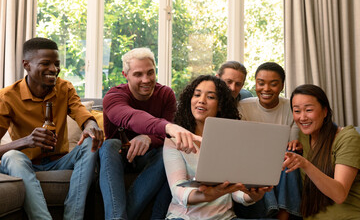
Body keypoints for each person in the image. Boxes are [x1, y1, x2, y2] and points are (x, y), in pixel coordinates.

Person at [0, 37, 104, 220]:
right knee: (12, 156)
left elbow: (81, 113)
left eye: (57, 64)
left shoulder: (65, 88)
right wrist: (27, 141)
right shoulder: (7, 96)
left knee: (90, 143)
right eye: (45, 63)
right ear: (27, 65)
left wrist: (91, 125)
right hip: (26, 163)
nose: (54, 69)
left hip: (59, 161)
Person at [99, 47, 201, 220]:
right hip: (118, 158)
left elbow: (166, 139)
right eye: (138, 74)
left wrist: (148, 138)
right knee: (109, 145)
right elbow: (131, 117)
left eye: (150, 73)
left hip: (150, 157)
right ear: (126, 75)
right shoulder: (113, 96)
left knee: (167, 153)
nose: (146, 80)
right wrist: (167, 127)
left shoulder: (165, 94)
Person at [163, 75, 272, 220]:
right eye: (197, 95)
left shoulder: (231, 140)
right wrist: (208, 195)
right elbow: (177, 190)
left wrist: (251, 196)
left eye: (211, 97)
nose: (201, 100)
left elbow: (234, 190)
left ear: (220, 105)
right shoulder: (174, 140)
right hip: (185, 217)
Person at [235, 62, 302, 219]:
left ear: (282, 86)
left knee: (290, 155)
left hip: (282, 161)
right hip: (254, 160)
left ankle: (284, 213)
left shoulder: (291, 107)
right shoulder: (243, 106)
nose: (266, 89)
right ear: (255, 83)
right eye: (261, 83)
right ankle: (272, 209)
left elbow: (292, 143)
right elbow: (243, 144)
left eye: (273, 84)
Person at [284, 84, 360, 219]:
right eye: (297, 111)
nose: (302, 117)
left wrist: (305, 164)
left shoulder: (348, 138)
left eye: (308, 110)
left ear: (325, 111)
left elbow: (340, 195)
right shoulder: (304, 136)